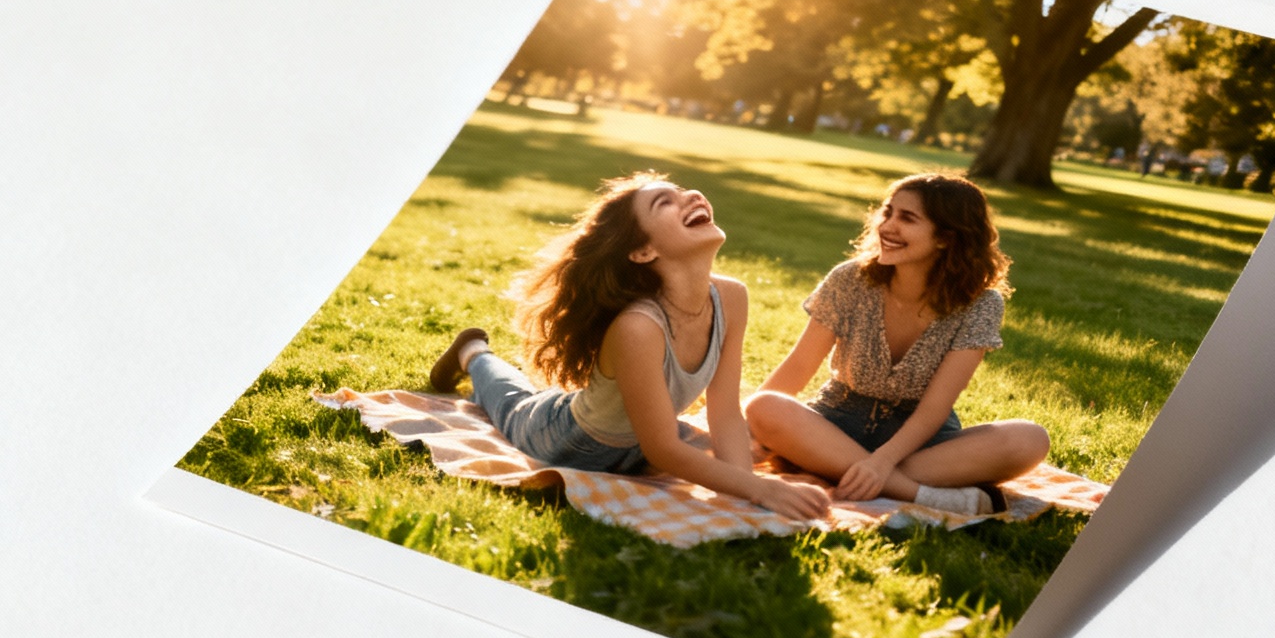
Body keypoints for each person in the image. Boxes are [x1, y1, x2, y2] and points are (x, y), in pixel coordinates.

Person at [427, 171, 830, 522]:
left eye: (684, 190)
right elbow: (664, 448)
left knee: (734, 452)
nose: (690, 196)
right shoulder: (638, 327)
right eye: (664, 201)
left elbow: (724, 410)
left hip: (641, 442)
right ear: (643, 251)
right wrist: (760, 491)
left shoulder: (731, 298)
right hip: (574, 444)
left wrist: (751, 492)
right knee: (512, 405)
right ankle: (473, 351)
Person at [745, 173, 1051, 515]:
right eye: (888, 213)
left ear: (946, 238)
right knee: (764, 406)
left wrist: (881, 462)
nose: (887, 226)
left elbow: (935, 408)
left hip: (920, 441)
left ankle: (833, 469)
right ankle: (920, 495)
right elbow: (799, 366)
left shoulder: (981, 303)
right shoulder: (850, 279)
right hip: (835, 422)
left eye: (907, 218)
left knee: (1030, 439)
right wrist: (746, 429)